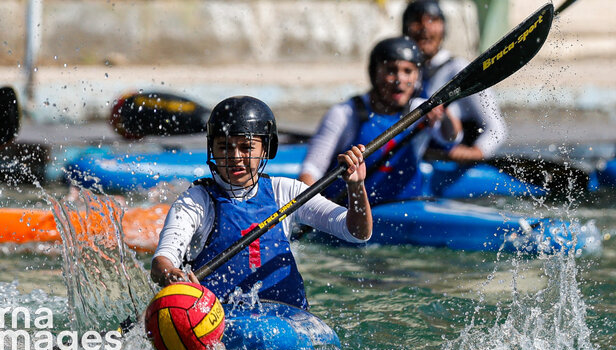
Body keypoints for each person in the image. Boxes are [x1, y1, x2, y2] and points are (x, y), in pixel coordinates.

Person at [151, 96, 372, 309]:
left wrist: (356, 187)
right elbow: (162, 261)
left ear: (266, 149)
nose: (235, 157)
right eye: (225, 147)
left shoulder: (286, 191)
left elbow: (356, 232)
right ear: (212, 150)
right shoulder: (195, 201)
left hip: (289, 319)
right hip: (220, 320)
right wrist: (172, 275)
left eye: (246, 147)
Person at [298, 36, 461, 205]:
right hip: (351, 214)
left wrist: (444, 115)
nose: (399, 80)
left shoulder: (420, 110)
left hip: (407, 210)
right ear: (374, 73)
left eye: (408, 71)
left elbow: (452, 137)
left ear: (417, 76)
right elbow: (311, 170)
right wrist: (315, 209)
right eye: (391, 70)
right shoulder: (345, 114)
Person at [403, 0, 507, 162]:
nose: (425, 28)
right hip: (423, 161)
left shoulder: (460, 70)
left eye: (432, 20)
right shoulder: (405, 73)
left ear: (444, 28)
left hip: (457, 165)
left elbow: (497, 130)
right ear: (406, 29)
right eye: (417, 21)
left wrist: (475, 152)